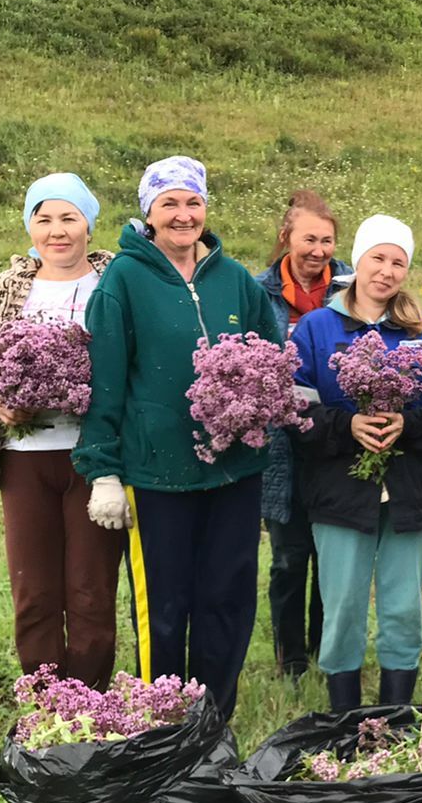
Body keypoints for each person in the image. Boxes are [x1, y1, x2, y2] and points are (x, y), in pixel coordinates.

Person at [73, 156, 283, 719]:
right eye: (170, 204)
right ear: (149, 212)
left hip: (234, 471)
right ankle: (158, 723)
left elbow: (274, 359)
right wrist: (105, 471)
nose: (183, 215)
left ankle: (212, 721)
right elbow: (106, 379)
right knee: (164, 608)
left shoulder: (235, 279)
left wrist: (267, 408)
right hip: (156, 472)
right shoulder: (124, 279)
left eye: (193, 203)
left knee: (227, 599)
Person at [290, 215, 422, 711]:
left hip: (409, 493)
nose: (387, 271)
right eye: (378, 258)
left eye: (398, 262)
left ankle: (394, 715)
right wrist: (347, 428)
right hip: (340, 493)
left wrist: (408, 427)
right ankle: (344, 718)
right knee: (343, 606)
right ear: (358, 260)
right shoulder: (316, 328)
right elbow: (294, 412)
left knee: (403, 607)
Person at [0, 173, 125, 688]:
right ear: (30, 227)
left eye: (69, 218)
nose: (57, 231)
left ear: (88, 225)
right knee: (33, 590)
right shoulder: (9, 287)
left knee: (91, 589)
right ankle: (46, 702)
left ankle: (91, 701)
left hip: (93, 458)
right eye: (44, 219)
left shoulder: (114, 282)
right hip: (25, 458)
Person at [258, 190, 353, 679]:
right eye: (308, 239)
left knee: (333, 554)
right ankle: (291, 657)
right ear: (285, 239)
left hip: (338, 441)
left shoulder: (354, 290)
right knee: (290, 556)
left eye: (327, 240)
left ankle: (327, 648)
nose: (318, 250)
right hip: (280, 447)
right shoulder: (259, 292)